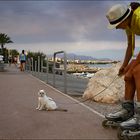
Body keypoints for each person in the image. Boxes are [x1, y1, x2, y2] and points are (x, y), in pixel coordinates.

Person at [106, 2, 140, 128]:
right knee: (128, 75)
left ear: (124, 19)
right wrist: (125, 66)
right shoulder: (129, 25)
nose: (116, 28)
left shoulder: (139, 18)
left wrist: (133, 66)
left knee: (137, 71)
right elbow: (131, 46)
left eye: (116, 24)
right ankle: (128, 110)